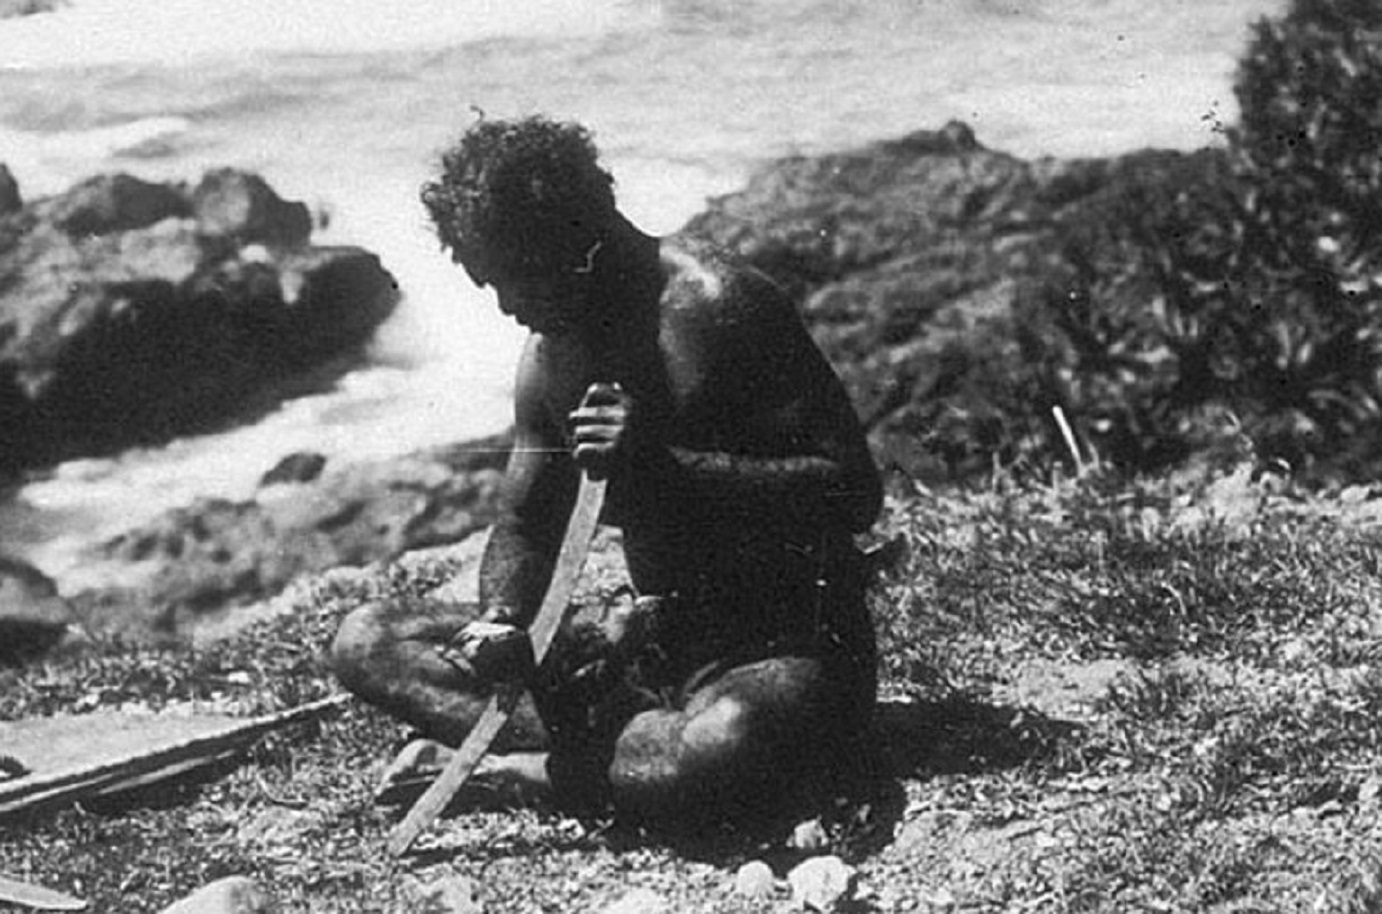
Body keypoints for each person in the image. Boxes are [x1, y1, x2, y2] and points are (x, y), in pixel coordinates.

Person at [331, 115, 883, 829]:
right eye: (486, 284)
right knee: (369, 638)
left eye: (512, 280)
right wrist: (501, 620)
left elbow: (852, 491)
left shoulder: (720, 309)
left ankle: (528, 774)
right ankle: (625, 754)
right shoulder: (551, 355)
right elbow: (527, 523)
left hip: (777, 652)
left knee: (727, 744)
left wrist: (667, 471)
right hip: (642, 655)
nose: (505, 307)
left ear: (572, 242)